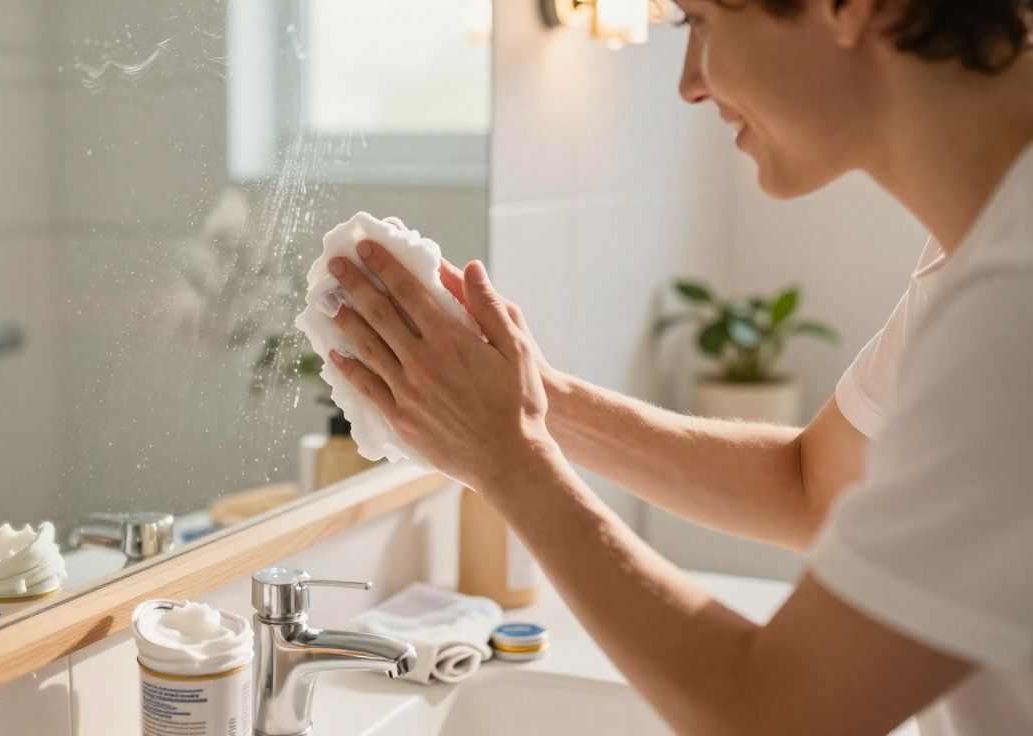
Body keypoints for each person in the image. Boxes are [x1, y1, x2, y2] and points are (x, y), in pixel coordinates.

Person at [324, 0, 1033, 733]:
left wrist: (511, 460)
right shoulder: (982, 253)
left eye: (697, 21)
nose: (689, 84)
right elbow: (815, 486)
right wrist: (539, 398)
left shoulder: (1016, 302)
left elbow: (771, 715)